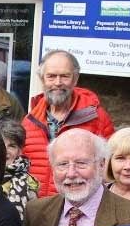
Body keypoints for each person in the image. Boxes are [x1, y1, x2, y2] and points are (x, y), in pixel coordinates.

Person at [22, 50, 115, 197]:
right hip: (37, 209)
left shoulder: (97, 118)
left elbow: (111, 166)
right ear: (42, 79)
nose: (58, 83)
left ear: (75, 79)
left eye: (65, 76)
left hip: (80, 206)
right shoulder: (29, 121)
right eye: (51, 76)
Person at [0, 118, 39, 221]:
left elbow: (33, 222)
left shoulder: (29, 184)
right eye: (0, 144)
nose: (5, 151)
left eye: (12, 146)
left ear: (20, 151)